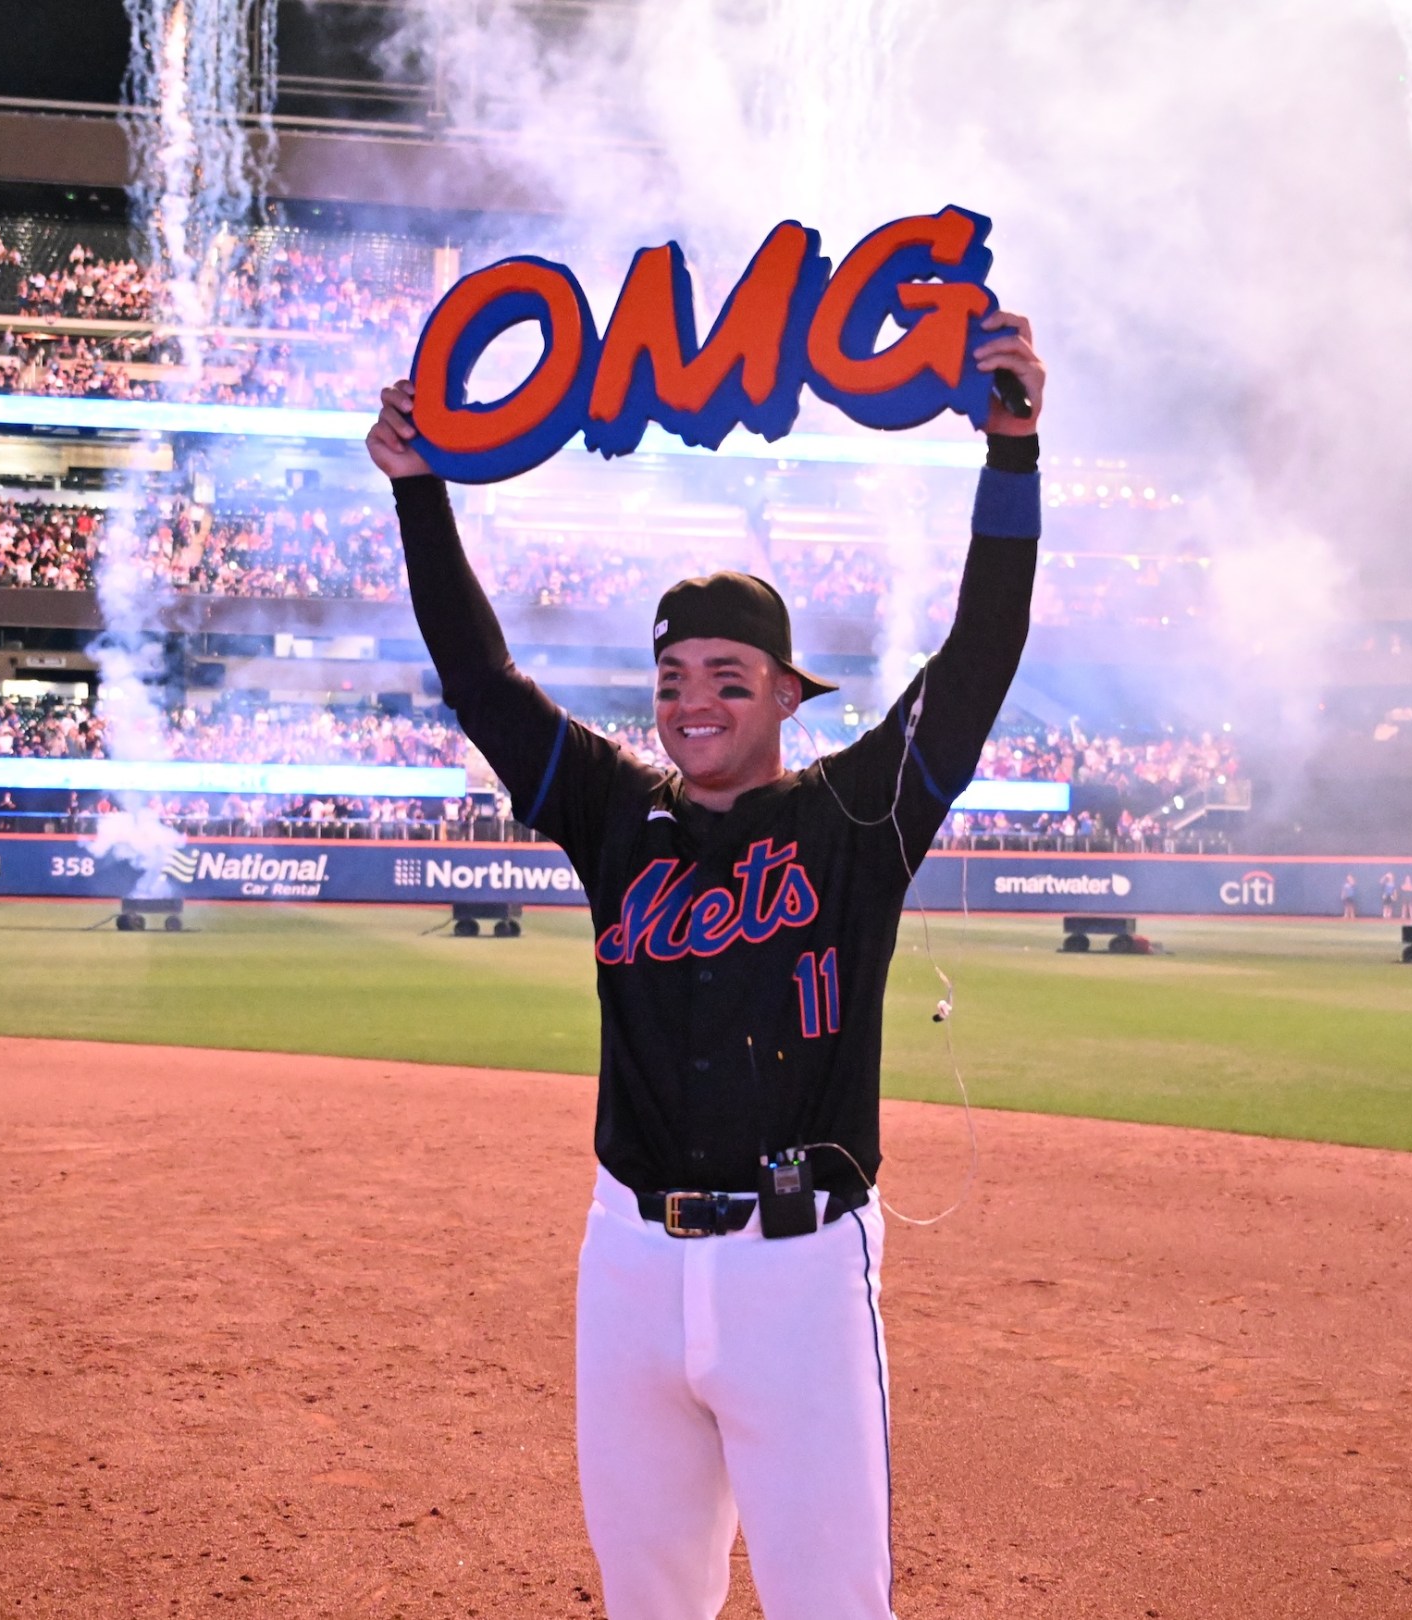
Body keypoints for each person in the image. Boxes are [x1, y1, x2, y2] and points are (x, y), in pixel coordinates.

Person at [369, 312, 1046, 1620]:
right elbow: (478, 677)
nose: (694, 703)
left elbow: (980, 659)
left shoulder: (859, 818)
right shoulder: (616, 811)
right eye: (674, 676)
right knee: (648, 1601)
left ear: (788, 695)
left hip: (798, 1268)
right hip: (624, 1257)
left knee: (830, 1606)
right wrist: (418, 496)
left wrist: (1011, 452)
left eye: (730, 679)